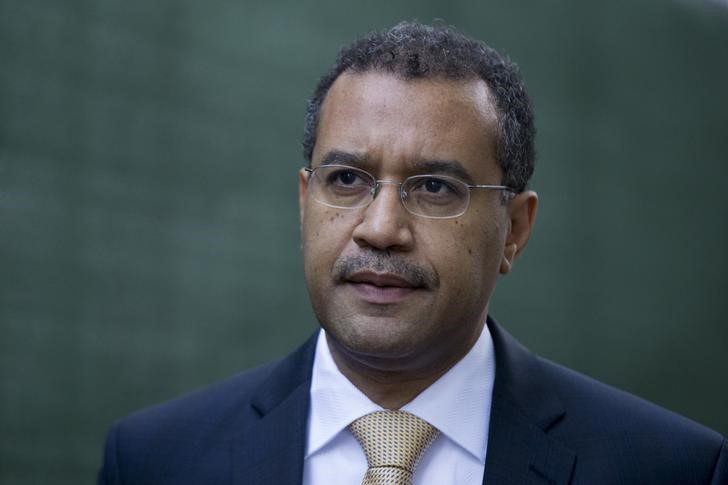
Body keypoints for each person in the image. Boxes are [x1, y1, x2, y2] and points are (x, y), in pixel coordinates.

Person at [98, 22, 727, 484]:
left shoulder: (670, 469)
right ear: (304, 200)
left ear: (514, 228)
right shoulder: (156, 461)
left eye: (433, 187)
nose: (380, 228)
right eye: (345, 180)